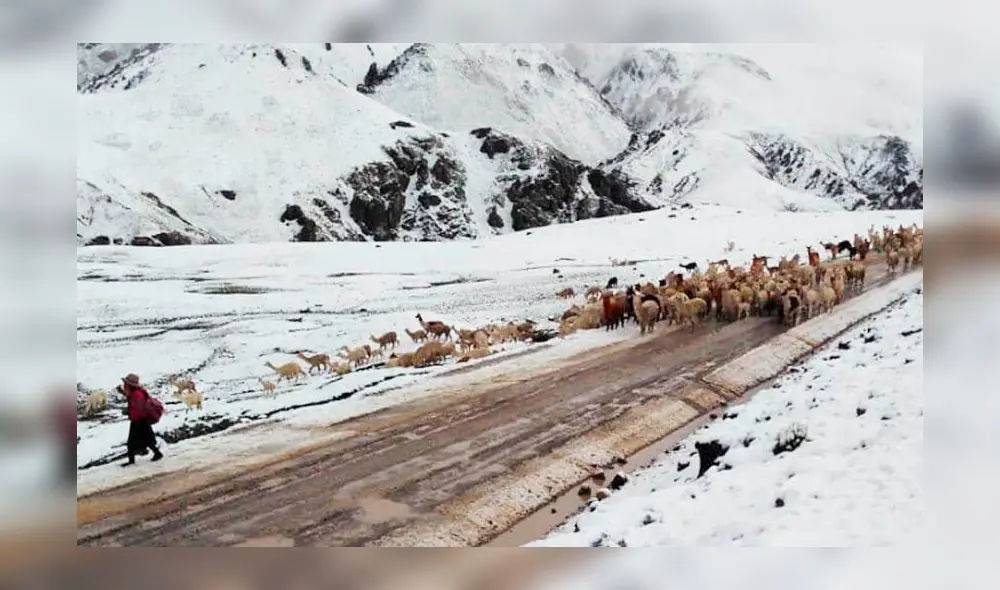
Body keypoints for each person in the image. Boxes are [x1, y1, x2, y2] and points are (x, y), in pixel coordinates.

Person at [118, 373, 163, 466]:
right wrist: (122, 393)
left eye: (126, 383)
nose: (125, 385)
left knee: (133, 442)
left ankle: (132, 461)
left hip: (139, 420)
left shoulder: (137, 394)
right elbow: (132, 399)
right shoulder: (135, 392)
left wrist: (129, 411)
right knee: (147, 439)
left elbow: (139, 407)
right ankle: (157, 453)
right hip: (140, 420)